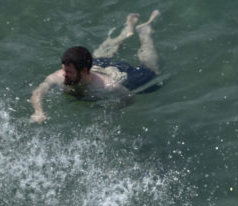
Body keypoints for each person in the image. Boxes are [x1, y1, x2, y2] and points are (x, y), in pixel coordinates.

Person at [30, 11, 161, 123]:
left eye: (69, 72)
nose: (63, 74)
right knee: (102, 54)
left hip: (122, 74)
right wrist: (38, 112)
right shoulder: (59, 76)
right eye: (64, 69)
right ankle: (126, 31)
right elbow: (38, 92)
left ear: (84, 70)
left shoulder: (109, 86)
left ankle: (145, 32)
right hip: (98, 67)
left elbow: (129, 99)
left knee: (151, 69)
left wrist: (110, 111)